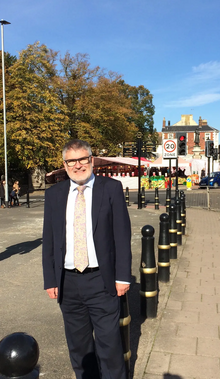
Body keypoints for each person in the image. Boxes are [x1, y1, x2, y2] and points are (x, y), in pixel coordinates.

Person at [42, 139, 132, 379]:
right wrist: (50, 279)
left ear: (91, 160)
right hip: (68, 283)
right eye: (72, 161)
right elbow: (49, 240)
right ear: (64, 164)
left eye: (83, 159)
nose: (78, 165)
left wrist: (123, 276)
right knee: (79, 349)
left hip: (102, 281)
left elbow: (122, 236)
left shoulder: (110, 188)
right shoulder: (54, 195)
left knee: (109, 347)